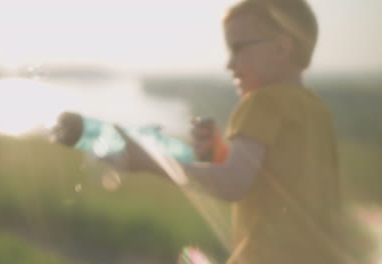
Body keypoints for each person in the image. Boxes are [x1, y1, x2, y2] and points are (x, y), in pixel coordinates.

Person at [112, 0, 376, 263]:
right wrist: (220, 153)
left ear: (281, 47)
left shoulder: (260, 102)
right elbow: (276, 176)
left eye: (238, 49)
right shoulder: (317, 110)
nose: (230, 64)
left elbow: (233, 184)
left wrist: (149, 160)